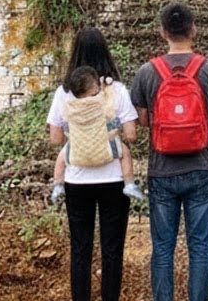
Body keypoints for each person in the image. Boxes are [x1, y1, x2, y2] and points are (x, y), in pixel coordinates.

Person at [130, 2, 208, 301]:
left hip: (162, 171)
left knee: (163, 247)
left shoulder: (147, 72)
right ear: (193, 30)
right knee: (199, 245)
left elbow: (143, 122)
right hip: (202, 168)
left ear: (162, 32)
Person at [47, 28, 137, 301]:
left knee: (80, 251)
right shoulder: (117, 90)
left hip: (76, 180)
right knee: (112, 251)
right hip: (113, 180)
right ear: (106, 52)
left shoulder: (64, 93)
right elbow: (131, 134)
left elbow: (55, 137)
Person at [50, 68, 146, 203]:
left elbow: (55, 139)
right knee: (124, 153)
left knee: (62, 157)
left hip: (77, 154)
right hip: (109, 161)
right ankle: (129, 184)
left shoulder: (69, 103)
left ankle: (58, 184)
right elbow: (130, 135)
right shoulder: (105, 97)